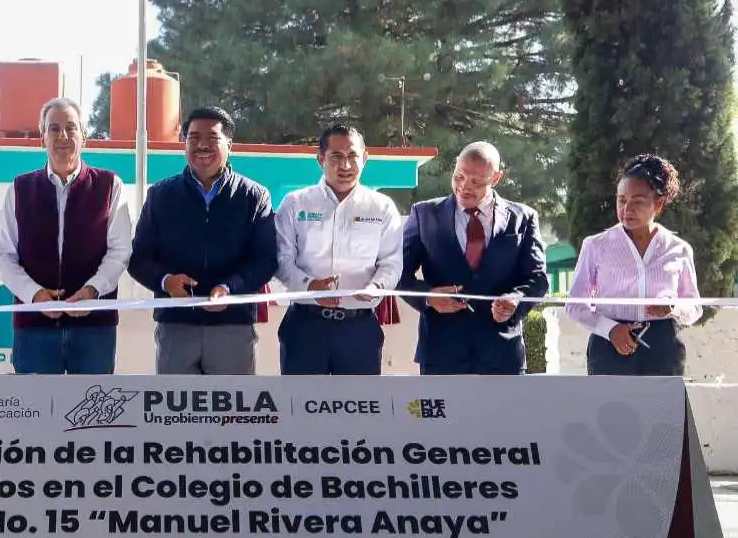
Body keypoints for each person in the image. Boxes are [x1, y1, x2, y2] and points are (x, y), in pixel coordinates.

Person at [127, 106, 278, 374]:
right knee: (174, 413)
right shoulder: (161, 196)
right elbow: (139, 259)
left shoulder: (254, 196)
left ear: (229, 145)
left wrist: (229, 288)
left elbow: (265, 260)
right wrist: (166, 282)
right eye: (193, 138)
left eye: (212, 138)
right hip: (176, 325)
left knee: (232, 412)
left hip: (232, 327)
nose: (202, 145)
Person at [0, 97, 131, 374]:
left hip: (94, 327)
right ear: (42, 137)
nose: (63, 136)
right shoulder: (20, 189)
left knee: (94, 414)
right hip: (34, 329)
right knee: (35, 411)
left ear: (84, 136)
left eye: (71, 127)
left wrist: (93, 290)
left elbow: (120, 251)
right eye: (53, 129)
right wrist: (35, 296)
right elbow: (3, 256)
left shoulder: (109, 185)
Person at [399, 141, 549, 375]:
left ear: (496, 178)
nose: (464, 186)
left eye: (476, 181)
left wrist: (515, 301)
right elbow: (399, 274)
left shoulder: (523, 218)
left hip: (501, 352)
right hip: (441, 353)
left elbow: (537, 279)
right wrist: (428, 298)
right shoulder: (424, 214)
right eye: (459, 176)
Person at [273, 125, 403, 374]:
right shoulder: (294, 203)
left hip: (359, 329)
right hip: (304, 326)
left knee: (360, 408)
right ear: (321, 159)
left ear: (364, 159)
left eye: (352, 156)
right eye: (336, 156)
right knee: (299, 407)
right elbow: (282, 260)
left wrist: (376, 286)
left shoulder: (382, 207)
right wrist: (310, 286)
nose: (345, 166)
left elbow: (391, 262)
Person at [566, 154, 700, 375]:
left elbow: (694, 308)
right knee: (610, 410)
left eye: (637, 201)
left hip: (662, 349)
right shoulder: (595, 245)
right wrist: (610, 330)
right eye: (621, 200)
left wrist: (673, 308)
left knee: (663, 410)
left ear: (658, 205)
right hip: (608, 349)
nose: (627, 209)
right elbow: (574, 306)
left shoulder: (679, 249)